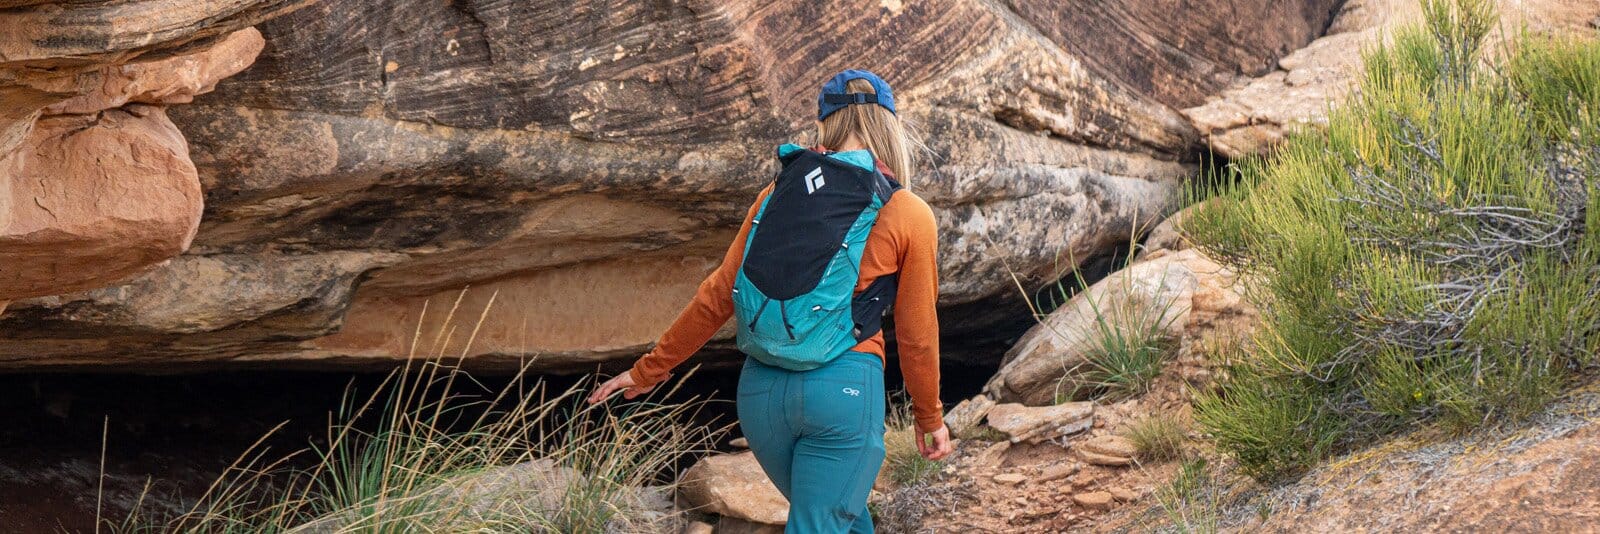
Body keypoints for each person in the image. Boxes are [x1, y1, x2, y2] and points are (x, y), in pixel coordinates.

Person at [587, 69, 950, 533]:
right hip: (841, 392)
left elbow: (719, 294)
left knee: (843, 516)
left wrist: (649, 370)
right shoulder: (907, 212)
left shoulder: (774, 195)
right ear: (889, 125)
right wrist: (928, 416)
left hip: (760, 397)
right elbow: (917, 334)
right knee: (822, 519)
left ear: (825, 125)